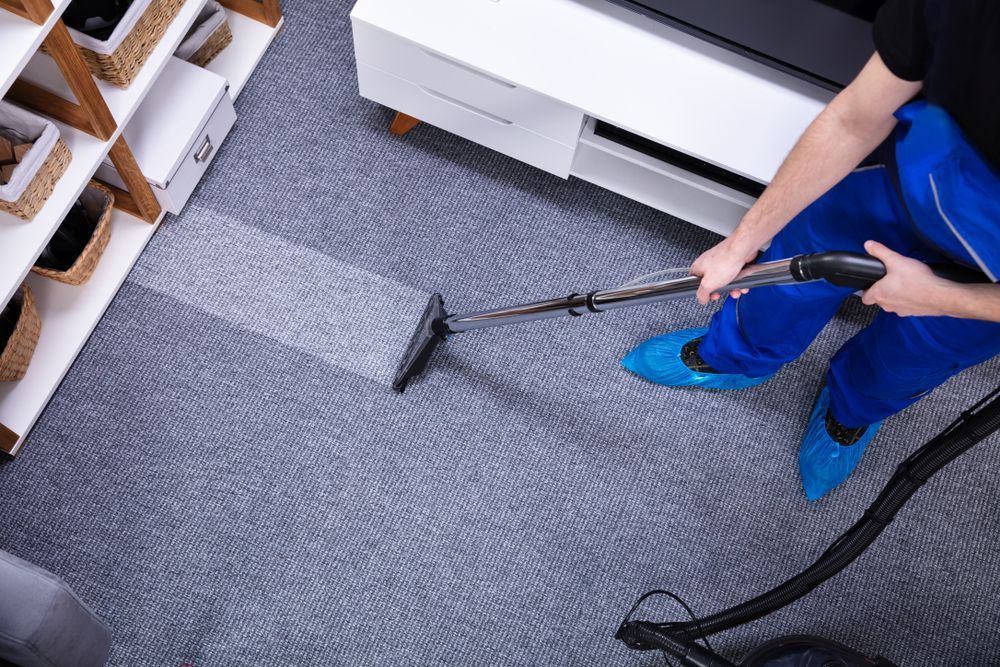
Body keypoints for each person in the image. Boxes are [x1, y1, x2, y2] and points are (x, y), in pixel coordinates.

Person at [621, 0, 1000, 501]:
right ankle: (733, 356)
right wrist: (742, 243)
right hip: (903, 185)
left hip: (986, 288)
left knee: (913, 356)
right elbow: (854, 120)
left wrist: (944, 298)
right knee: (782, 278)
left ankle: (851, 413)